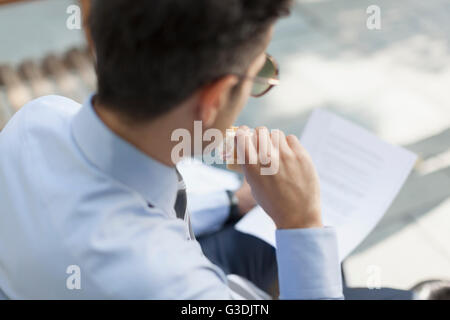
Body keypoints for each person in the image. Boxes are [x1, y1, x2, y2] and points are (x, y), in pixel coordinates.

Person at [0, 0, 345, 299]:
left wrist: (231, 202)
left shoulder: (38, 118)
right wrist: (301, 223)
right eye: (259, 74)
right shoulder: (171, 284)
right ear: (214, 98)